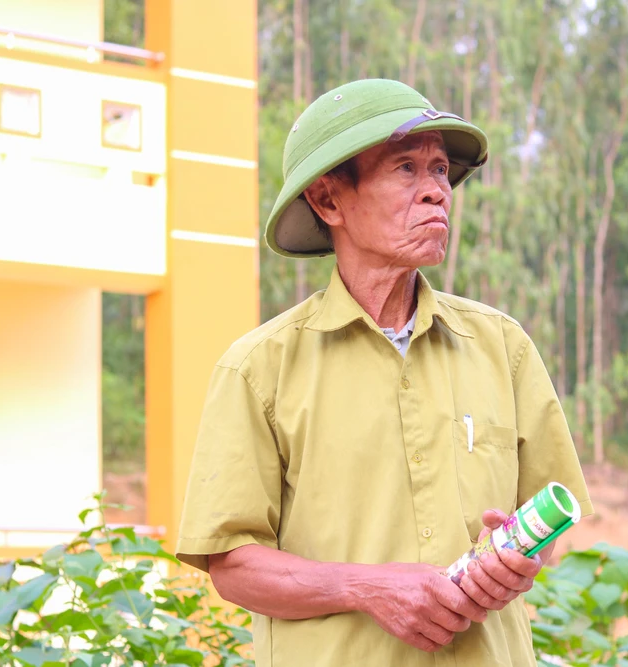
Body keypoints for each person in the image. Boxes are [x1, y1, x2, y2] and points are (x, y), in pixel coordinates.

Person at [176, 78, 593, 667]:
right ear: (328, 202)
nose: (436, 194)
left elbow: (544, 525)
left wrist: (515, 561)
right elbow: (234, 566)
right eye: (405, 169)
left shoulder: (503, 346)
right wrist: (365, 587)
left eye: (442, 171)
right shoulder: (258, 369)